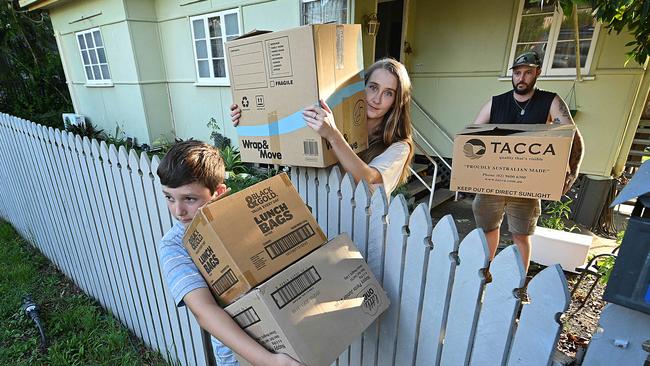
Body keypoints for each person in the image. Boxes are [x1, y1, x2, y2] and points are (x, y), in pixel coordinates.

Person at [157, 140, 302, 366]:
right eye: (169, 197)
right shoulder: (175, 245)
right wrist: (269, 361)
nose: (178, 211)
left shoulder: (242, 218)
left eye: (190, 199)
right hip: (240, 359)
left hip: (291, 341)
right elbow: (204, 311)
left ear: (219, 192)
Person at [231, 58, 414, 198]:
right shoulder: (336, 120)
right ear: (362, 88)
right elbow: (288, 128)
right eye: (373, 87)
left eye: (388, 93)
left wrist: (333, 136)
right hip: (321, 214)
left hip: (363, 233)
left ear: (397, 102)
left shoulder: (399, 147)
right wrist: (248, 117)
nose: (377, 99)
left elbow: (370, 179)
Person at [472, 50, 584, 272]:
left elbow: (573, 136)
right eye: (517, 73)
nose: (521, 78)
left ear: (537, 73)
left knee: (521, 235)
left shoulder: (550, 101)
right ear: (512, 75)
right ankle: (485, 272)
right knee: (487, 229)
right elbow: (472, 135)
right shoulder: (496, 103)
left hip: (527, 184)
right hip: (493, 181)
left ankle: (518, 283)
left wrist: (571, 175)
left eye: (527, 73)